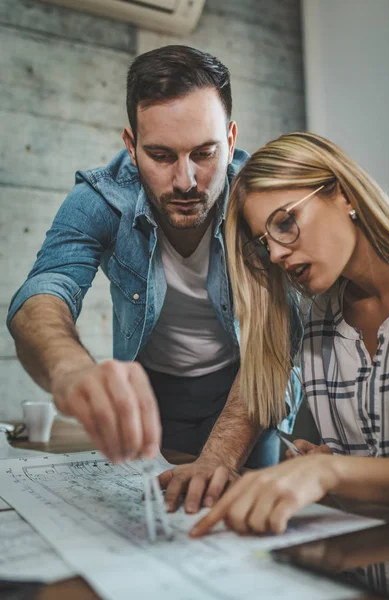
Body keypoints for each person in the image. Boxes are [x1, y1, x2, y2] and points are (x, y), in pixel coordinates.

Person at [7, 45, 298, 514]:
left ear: (231, 136)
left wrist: (220, 456)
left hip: (246, 394)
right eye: (161, 155)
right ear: (131, 144)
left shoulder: (263, 204)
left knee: (244, 528)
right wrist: (70, 370)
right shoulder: (99, 198)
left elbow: (277, 349)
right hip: (151, 399)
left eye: (205, 153)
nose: (185, 181)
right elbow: (44, 291)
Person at [190, 131, 389, 537]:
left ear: (344, 195)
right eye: (264, 243)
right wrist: (325, 464)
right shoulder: (318, 323)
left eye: (285, 223)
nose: (276, 254)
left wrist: (332, 470)